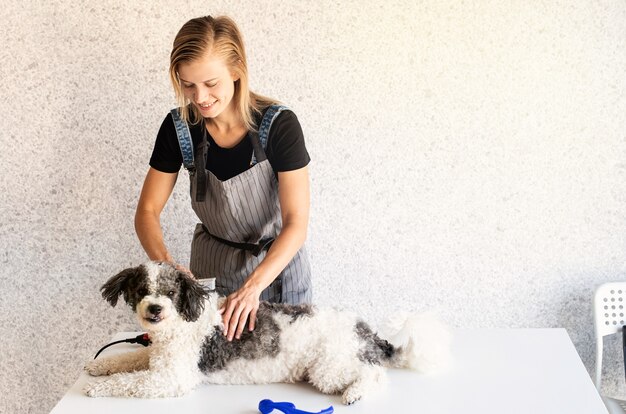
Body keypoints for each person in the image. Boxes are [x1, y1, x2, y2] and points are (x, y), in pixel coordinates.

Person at [134, 15, 312, 342]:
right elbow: (147, 211)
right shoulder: (179, 128)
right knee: (211, 371)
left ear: (236, 70)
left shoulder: (279, 125)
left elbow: (296, 222)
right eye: (188, 84)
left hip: (278, 270)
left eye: (210, 83)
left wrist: (253, 287)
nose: (199, 97)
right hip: (212, 268)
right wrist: (168, 268)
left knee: (284, 370)